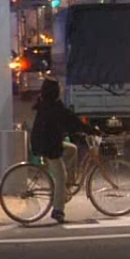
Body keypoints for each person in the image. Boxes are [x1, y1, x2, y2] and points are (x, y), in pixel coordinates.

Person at [29, 78, 92, 224]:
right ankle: (58, 210)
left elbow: (68, 119)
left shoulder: (49, 103)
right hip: (48, 146)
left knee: (72, 149)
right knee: (60, 178)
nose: (61, 90)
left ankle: (66, 187)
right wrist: (88, 130)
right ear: (54, 91)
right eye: (59, 88)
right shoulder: (52, 106)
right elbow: (70, 119)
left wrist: (79, 130)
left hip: (49, 142)